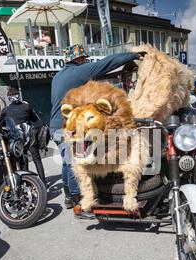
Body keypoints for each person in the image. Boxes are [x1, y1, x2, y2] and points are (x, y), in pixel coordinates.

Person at [50, 44, 145, 216]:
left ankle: (68, 197)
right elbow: (106, 63)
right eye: (84, 59)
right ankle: (79, 199)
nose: (85, 61)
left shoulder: (57, 77)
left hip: (55, 125)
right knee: (78, 160)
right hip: (70, 125)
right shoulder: (78, 72)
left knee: (66, 162)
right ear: (79, 59)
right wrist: (132, 56)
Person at [0, 86, 46, 183]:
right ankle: (43, 182)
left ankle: (27, 182)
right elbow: (35, 120)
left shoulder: (5, 111)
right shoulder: (26, 107)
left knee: (23, 160)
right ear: (19, 96)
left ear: (9, 98)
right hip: (29, 136)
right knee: (37, 159)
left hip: (16, 139)